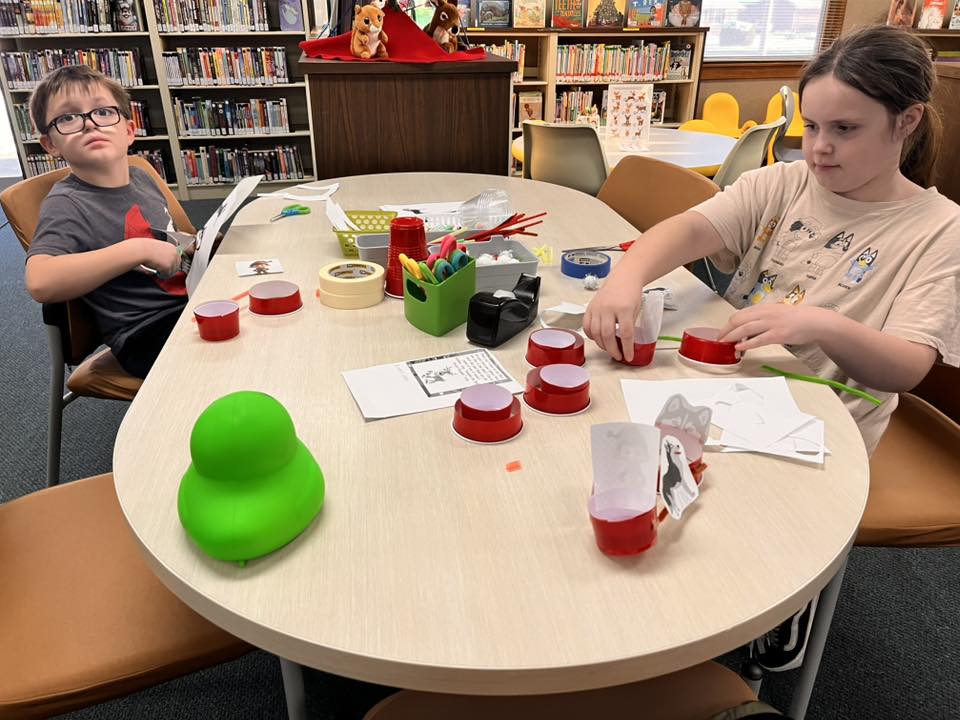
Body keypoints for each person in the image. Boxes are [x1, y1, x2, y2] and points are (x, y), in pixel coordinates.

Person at [584, 24, 960, 670]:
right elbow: (686, 230)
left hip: (828, 424)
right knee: (626, 458)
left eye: (845, 130)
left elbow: (907, 366)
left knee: (712, 529)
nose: (818, 149)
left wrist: (818, 323)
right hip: (735, 386)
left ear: (907, 123)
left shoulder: (939, 232)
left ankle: (773, 609)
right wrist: (624, 276)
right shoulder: (784, 185)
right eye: (810, 127)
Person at [24, 64, 189, 379]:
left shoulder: (141, 176)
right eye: (68, 118)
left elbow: (165, 238)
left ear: (128, 131)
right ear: (50, 145)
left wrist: (196, 246)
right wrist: (137, 249)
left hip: (185, 302)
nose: (89, 125)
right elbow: (40, 280)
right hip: (145, 330)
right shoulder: (67, 203)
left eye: (102, 112)